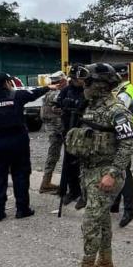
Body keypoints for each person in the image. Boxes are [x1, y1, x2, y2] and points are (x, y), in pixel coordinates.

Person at [64, 63, 133, 267]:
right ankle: (105, 262)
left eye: (88, 82)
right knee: (102, 218)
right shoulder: (89, 107)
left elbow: (128, 143)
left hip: (107, 173)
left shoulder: (117, 110)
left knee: (90, 222)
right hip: (88, 171)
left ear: (101, 86)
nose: (84, 86)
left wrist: (112, 173)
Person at [0, 72, 52, 222]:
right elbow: (35, 93)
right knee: (21, 174)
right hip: (18, 142)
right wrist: (49, 87)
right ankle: (22, 209)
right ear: (6, 83)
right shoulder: (16, 96)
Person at [110, 64, 133, 227]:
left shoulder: (126, 92)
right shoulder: (122, 89)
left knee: (124, 170)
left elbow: (117, 111)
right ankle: (115, 203)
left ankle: (129, 210)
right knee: (117, 168)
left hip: (125, 134)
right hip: (120, 133)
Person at [58, 68, 87, 208]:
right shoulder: (66, 90)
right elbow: (58, 104)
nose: (77, 81)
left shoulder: (88, 91)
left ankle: (85, 194)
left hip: (83, 132)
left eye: (79, 79)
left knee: (85, 164)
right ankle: (73, 191)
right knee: (69, 163)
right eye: (74, 79)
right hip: (68, 130)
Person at [39, 70, 68, 194]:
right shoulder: (57, 94)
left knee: (53, 155)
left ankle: (46, 182)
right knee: (61, 156)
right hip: (58, 129)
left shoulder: (48, 92)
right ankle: (48, 183)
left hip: (52, 128)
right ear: (62, 81)